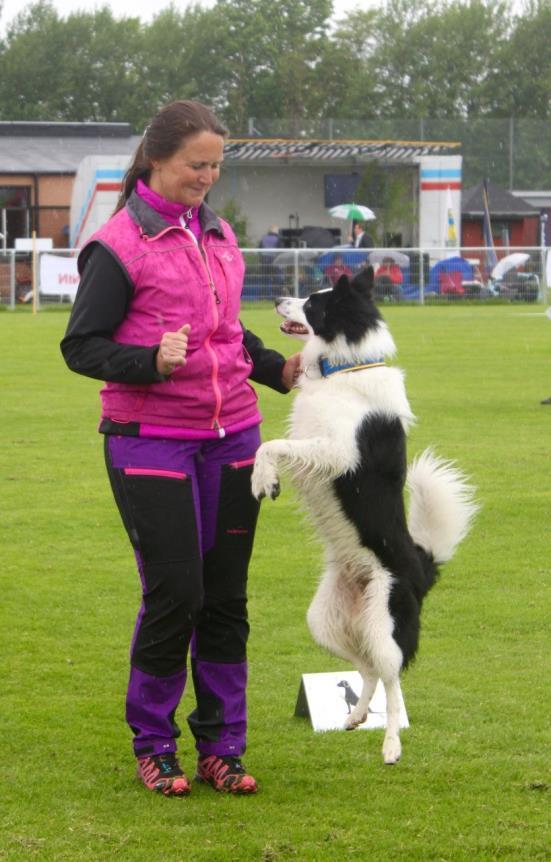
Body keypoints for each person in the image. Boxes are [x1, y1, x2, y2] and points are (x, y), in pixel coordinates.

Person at [60, 100, 301, 798]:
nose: (207, 177)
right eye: (198, 164)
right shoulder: (117, 245)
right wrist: (150, 364)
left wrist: (278, 372)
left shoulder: (218, 234)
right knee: (177, 594)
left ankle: (223, 748)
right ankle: (154, 745)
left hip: (236, 442)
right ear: (158, 159)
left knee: (225, 598)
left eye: (216, 166)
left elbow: (227, 334)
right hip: (151, 444)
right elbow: (81, 346)